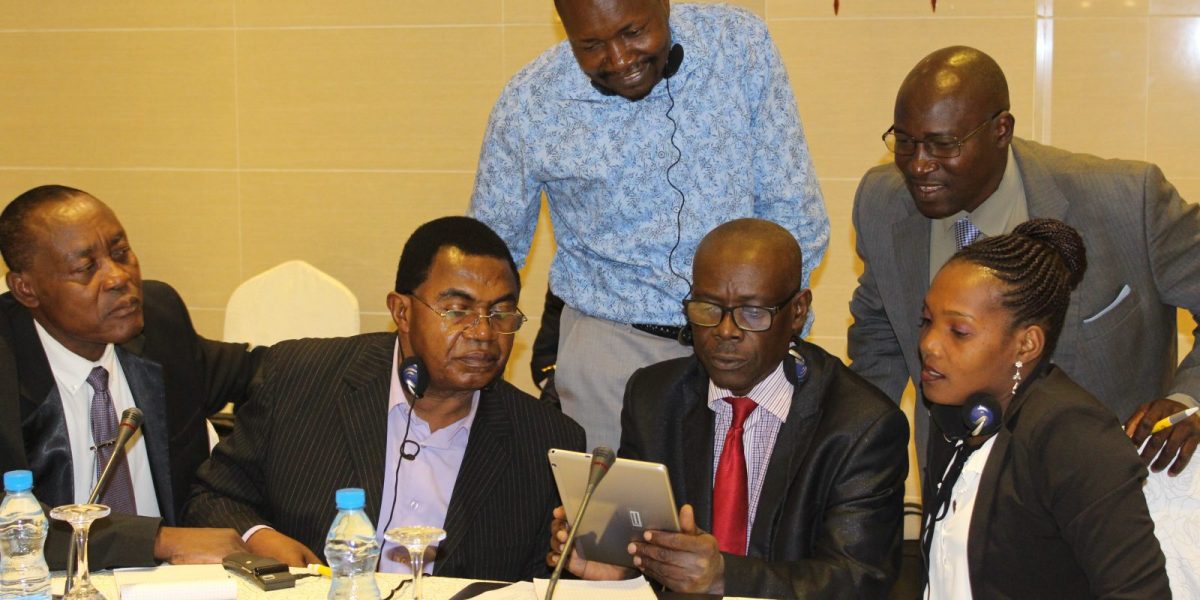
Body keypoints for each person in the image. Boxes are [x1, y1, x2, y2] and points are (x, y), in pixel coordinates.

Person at [469, 0, 829, 451]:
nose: (619, 59)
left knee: (742, 495)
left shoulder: (737, 45)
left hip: (745, 337)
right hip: (610, 353)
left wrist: (774, 326)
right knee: (615, 499)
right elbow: (489, 258)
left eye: (633, 32)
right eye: (591, 45)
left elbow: (792, 207)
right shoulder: (529, 104)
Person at [849, 45, 1200, 474]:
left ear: (1001, 130)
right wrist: (854, 465)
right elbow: (879, 339)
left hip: (1104, 486)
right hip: (954, 487)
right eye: (905, 142)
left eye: (943, 145)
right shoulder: (882, 203)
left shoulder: (1128, 201)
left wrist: (1187, 401)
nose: (919, 166)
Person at [183, 217, 586, 582]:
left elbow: (549, 581)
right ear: (402, 311)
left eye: (500, 313)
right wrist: (258, 536)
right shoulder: (299, 379)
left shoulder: (547, 441)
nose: (483, 333)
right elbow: (210, 497)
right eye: (457, 310)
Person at [548, 219, 908, 599]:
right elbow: (647, 548)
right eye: (708, 308)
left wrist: (725, 577)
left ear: (798, 311)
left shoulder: (861, 425)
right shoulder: (655, 397)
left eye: (752, 313)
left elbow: (858, 580)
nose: (725, 331)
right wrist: (619, 570)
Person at [0, 185, 261, 568]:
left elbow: (262, 373)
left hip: (178, 584)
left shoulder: (160, 320)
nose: (119, 277)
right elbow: (12, 529)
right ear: (26, 289)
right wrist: (155, 541)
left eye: (121, 253)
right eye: (86, 269)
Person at [919, 218, 1169, 598]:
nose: (929, 344)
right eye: (926, 321)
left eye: (959, 331)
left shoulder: (1073, 436)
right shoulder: (955, 416)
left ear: (1027, 345)